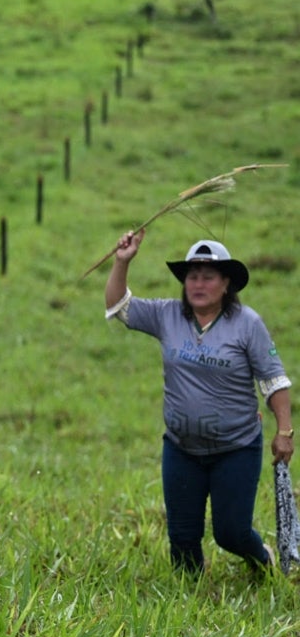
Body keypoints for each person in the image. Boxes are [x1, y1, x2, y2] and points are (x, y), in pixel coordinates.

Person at [104, 230, 294, 575]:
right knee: (182, 541)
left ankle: (262, 559)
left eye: (208, 277)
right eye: (192, 276)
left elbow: (274, 381)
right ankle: (190, 605)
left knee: (231, 533)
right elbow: (119, 306)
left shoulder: (247, 324)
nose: (198, 284)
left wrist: (285, 430)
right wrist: (122, 261)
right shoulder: (167, 315)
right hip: (181, 448)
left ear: (226, 284)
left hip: (235, 447)